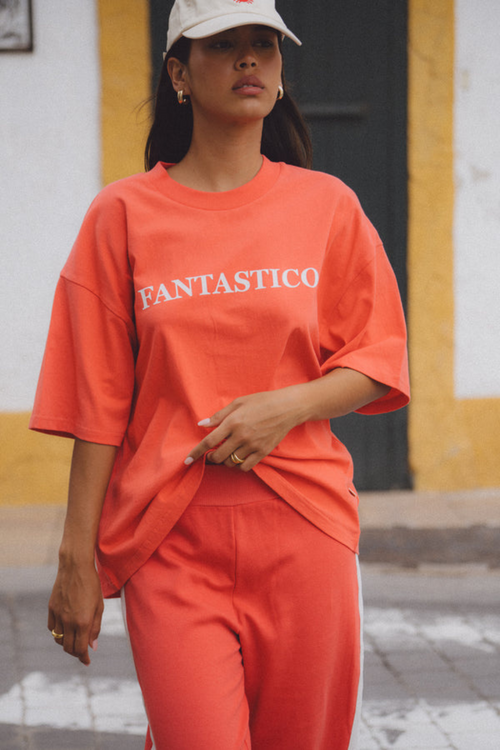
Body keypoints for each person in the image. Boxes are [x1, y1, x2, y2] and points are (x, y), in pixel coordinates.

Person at [30, 0, 410, 747]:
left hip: (306, 530)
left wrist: (288, 407)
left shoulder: (328, 207)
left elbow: (378, 358)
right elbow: (96, 401)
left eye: (263, 45)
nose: (249, 60)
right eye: (224, 45)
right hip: (171, 539)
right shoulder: (122, 216)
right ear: (178, 72)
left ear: (279, 70)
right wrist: (77, 560)